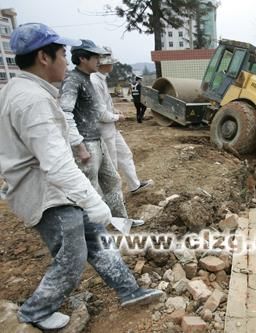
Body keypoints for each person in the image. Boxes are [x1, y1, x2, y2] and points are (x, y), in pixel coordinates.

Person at [0, 23, 162, 331]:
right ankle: (35, 311)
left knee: (97, 240)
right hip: (46, 194)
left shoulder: (22, 91)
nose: (66, 58)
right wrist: (93, 201)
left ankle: (129, 290)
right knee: (73, 257)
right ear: (43, 57)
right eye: (62, 53)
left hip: (56, 189)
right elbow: (57, 164)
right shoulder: (32, 101)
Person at [60, 39, 139, 225]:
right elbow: (65, 113)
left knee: (112, 181)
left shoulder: (87, 79)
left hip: (97, 139)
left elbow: (98, 111)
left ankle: (121, 222)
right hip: (85, 143)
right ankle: (98, 231)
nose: (99, 60)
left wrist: (115, 115)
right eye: (95, 57)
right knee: (91, 189)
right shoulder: (73, 81)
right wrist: (79, 146)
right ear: (82, 58)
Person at [90, 47, 154, 194]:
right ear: (102, 63)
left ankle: (135, 185)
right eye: (110, 62)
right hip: (103, 129)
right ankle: (112, 199)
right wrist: (117, 117)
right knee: (110, 165)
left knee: (125, 154)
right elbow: (100, 114)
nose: (113, 65)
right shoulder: (94, 82)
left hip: (111, 127)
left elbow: (105, 104)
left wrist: (114, 111)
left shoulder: (101, 79)